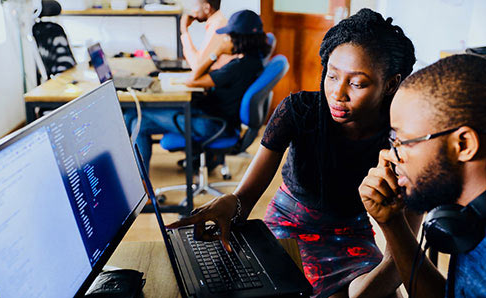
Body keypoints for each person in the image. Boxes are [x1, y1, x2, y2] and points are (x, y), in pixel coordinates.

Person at [168, 8, 418, 298]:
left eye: (356, 83)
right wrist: (230, 204)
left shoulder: (404, 142)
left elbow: (402, 256)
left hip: (352, 236)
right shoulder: (299, 112)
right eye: (332, 76)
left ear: (390, 84)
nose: (338, 93)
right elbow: (244, 201)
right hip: (288, 227)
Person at [359, 54, 486, 298]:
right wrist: (392, 223)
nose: (391, 155)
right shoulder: (467, 217)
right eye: (392, 140)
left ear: (463, 144)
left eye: (403, 141)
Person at [126, 10, 271, 173]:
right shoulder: (253, 61)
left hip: (211, 124)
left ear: (239, 39)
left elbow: (192, 79)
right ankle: (142, 183)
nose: (225, 39)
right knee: (136, 122)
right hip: (217, 119)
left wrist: (216, 53)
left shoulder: (238, 67)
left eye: (228, 36)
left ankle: (136, 181)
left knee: (134, 116)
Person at [180, 0, 234, 72]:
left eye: (195, 6)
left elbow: (197, 66)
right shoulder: (219, 21)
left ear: (206, 8)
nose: (192, 11)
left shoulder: (217, 26)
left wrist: (184, 31)